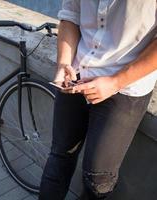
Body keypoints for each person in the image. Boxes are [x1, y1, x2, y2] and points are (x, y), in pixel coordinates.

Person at [39, 0, 157, 199]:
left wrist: (116, 82)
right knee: (60, 154)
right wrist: (63, 63)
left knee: (98, 179)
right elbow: (71, 15)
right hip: (76, 72)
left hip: (126, 87)